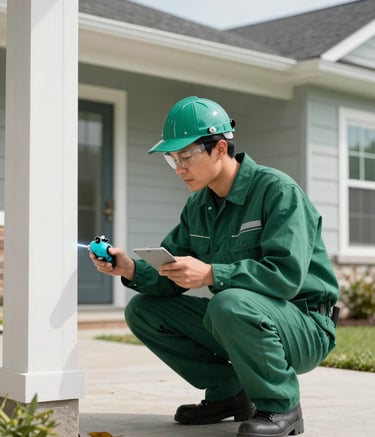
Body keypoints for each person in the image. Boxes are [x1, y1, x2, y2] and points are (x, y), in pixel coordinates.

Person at [90, 96, 339, 437]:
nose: (179, 168)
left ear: (220, 149)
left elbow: (285, 278)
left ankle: (282, 406)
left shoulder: (278, 192)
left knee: (228, 303)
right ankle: (229, 395)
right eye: (172, 158)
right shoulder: (198, 205)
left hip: (305, 324)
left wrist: (210, 273)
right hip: (243, 318)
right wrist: (129, 268)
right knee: (143, 310)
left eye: (186, 156)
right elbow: (172, 275)